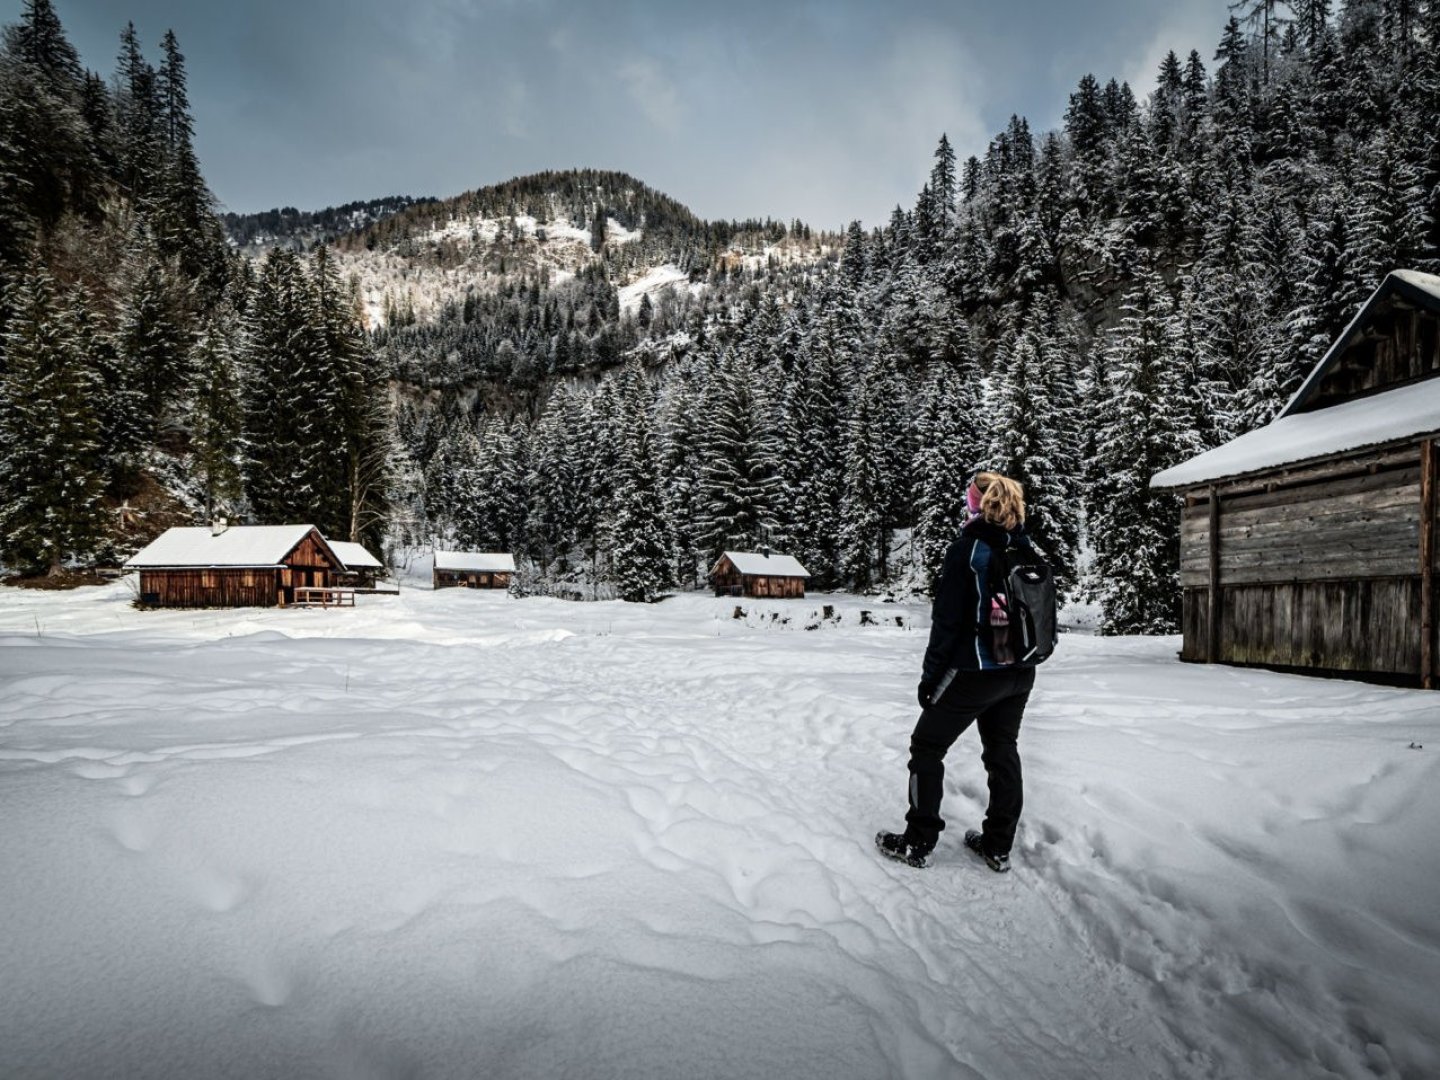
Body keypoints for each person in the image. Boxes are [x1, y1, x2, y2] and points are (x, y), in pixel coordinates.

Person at [876, 472, 1038, 872]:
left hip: (976, 671)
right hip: (1021, 671)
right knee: (1003, 753)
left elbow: (946, 624)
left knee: (926, 747)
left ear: (976, 505)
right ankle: (998, 846)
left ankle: (918, 840)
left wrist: (930, 680)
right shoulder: (1026, 547)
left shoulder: (967, 549)